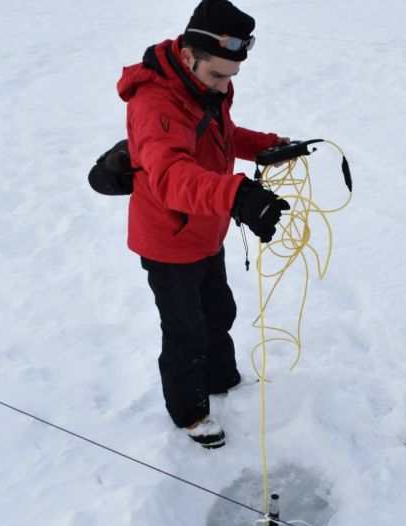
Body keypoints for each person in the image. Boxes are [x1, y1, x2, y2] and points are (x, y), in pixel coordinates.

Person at [117, 0, 291, 449]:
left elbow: (221, 137)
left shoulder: (203, 86)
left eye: (231, 77)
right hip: (169, 239)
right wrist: (237, 195)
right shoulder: (156, 103)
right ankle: (190, 412)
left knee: (219, 312)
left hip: (206, 230)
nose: (224, 86)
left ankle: (220, 378)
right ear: (189, 54)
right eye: (218, 75)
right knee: (185, 331)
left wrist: (270, 147)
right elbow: (173, 178)